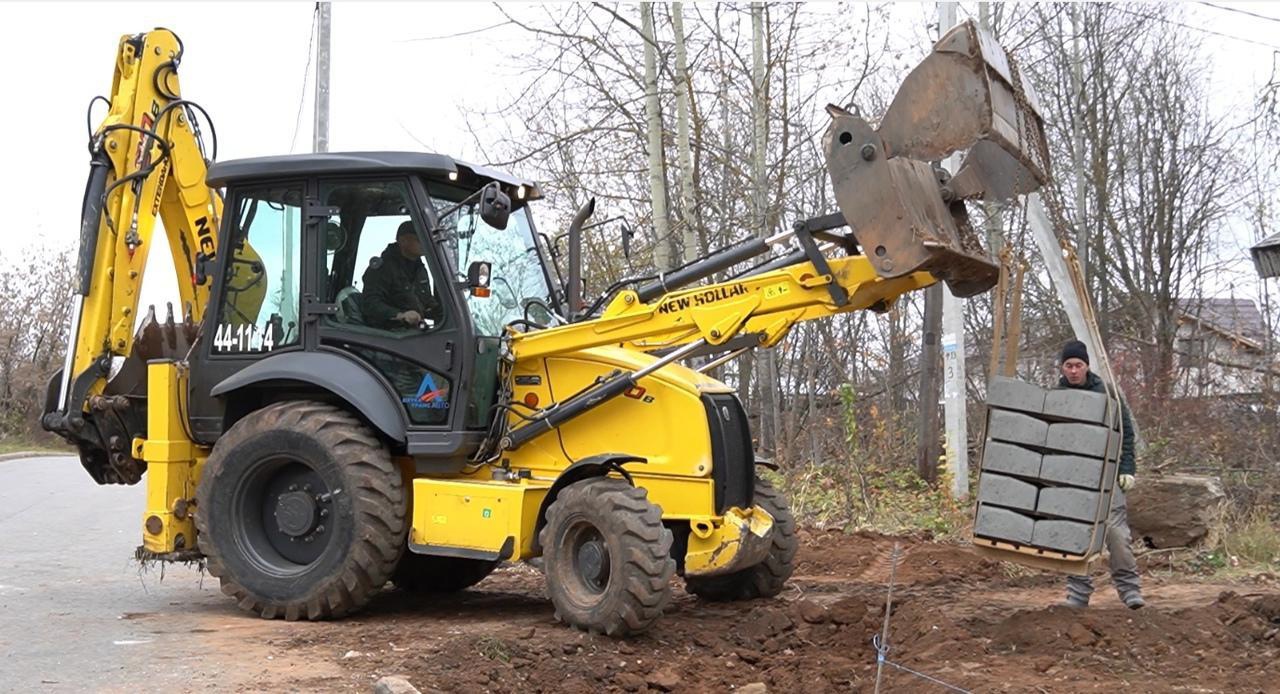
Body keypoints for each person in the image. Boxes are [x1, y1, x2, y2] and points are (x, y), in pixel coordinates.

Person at [1056, 339, 1145, 610]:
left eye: (1078, 365)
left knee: (1116, 533)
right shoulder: (1054, 398)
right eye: (1068, 365)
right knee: (1076, 534)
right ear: (1062, 368)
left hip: (1106, 473)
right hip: (1072, 477)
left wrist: (1127, 469)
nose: (1073, 371)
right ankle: (1078, 593)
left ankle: (1130, 590)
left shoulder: (1108, 395)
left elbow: (1126, 434)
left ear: (1086, 367)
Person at [360, 221, 442, 330]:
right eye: (419, 239)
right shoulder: (382, 269)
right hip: (388, 334)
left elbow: (425, 299)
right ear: (403, 241)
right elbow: (370, 304)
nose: (424, 243)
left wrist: (440, 309)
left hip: (413, 331)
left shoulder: (419, 268)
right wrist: (400, 315)